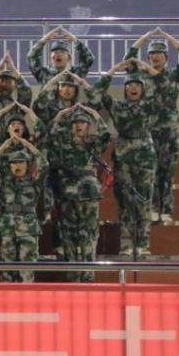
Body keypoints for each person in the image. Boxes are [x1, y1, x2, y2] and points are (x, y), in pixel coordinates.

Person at [124, 28, 179, 221]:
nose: (155, 57)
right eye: (152, 54)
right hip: (148, 128)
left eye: (159, 54)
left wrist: (170, 39)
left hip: (170, 130)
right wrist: (143, 38)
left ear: (166, 57)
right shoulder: (142, 75)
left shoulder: (174, 75)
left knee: (168, 171)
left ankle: (166, 211)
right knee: (151, 171)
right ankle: (153, 208)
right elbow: (128, 60)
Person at [91, 58, 160, 256]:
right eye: (129, 85)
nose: (133, 88)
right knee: (125, 202)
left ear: (143, 88)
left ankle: (143, 244)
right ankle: (127, 244)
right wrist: (113, 70)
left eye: (137, 85)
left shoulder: (150, 105)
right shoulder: (118, 107)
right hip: (123, 158)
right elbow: (97, 92)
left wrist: (147, 68)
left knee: (144, 200)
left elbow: (165, 87)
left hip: (145, 158)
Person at [47, 105, 110, 277]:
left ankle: (88, 276)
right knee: (68, 236)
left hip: (88, 196)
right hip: (67, 196)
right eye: (75, 122)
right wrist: (60, 114)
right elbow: (50, 135)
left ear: (88, 125)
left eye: (82, 122)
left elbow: (105, 134)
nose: (79, 125)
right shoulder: (62, 144)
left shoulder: (93, 145)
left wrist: (94, 113)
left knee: (89, 236)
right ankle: (72, 277)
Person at [0, 137, 49, 281]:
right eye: (13, 162)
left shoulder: (34, 183)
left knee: (27, 273)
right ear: (9, 166)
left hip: (28, 230)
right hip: (7, 230)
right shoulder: (3, 183)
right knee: (7, 274)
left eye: (21, 162)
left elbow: (44, 165)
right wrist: (5, 144)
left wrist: (27, 144)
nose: (17, 165)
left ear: (28, 164)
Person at [27, 26, 94, 85]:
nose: (58, 55)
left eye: (62, 52)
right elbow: (31, 57)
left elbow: (89, 59)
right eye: (55, 52)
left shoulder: (76, 73)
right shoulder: (44, 74)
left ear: (69, 58)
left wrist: (75, 40)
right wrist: (44, 40)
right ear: (50, 58)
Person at [0, 52, 33, 119]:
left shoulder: (18, 105)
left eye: (9, 82)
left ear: (15, 85)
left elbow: (26, 92)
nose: (5, 84)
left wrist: (13, 69)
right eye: (2, 81)